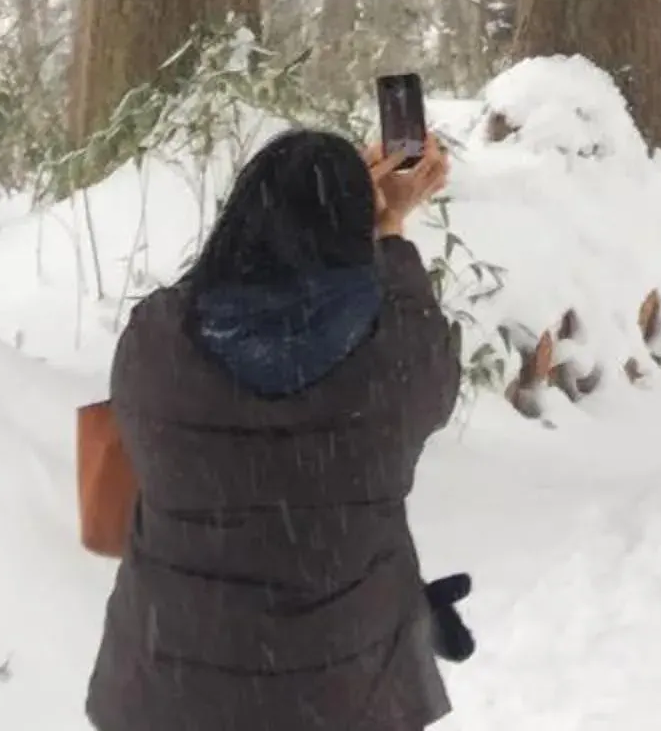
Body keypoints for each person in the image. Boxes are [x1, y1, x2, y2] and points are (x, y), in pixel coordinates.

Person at [88, 126, 463, 731]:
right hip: (345, 693)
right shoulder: (396, 359)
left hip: (166, 694)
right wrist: (388, 227)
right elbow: (423, 351)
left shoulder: (156, 341)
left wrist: (315, 213)